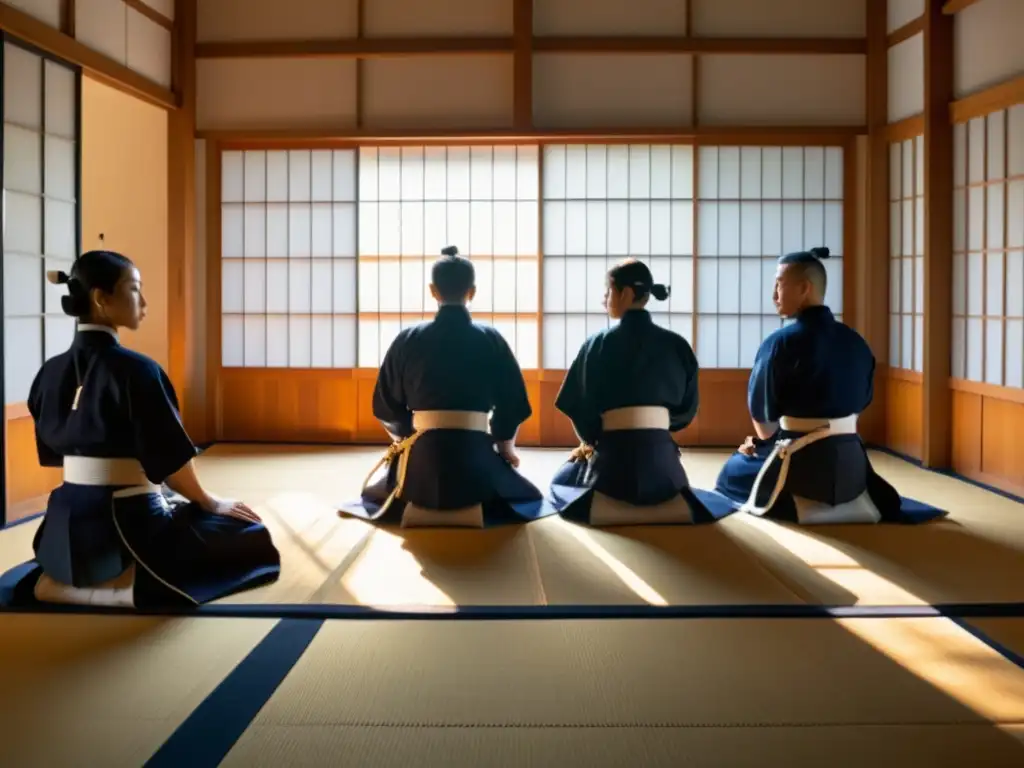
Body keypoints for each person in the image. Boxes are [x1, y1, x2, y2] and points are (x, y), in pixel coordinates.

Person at [0, 250, 281, 610]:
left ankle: (55, 582)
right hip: (129, 521)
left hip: (63, 524)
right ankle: (130, 585)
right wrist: (209, 501)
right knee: (247, 533)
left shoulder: (48, 373)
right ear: (102, 299)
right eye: (134, 290)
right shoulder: (139, 370)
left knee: (182, 513)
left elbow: (58, 453)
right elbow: (171, 463)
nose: (144, 301)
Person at [712, 247, 946, 524]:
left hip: (801, 469)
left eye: (778, 285)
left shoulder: (779, 343)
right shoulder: (857, 342)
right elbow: (860, 404)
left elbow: (764, 429)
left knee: (734, 470)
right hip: (852, 468)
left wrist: (760, 445)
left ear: (804, 288)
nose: (773, 295)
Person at [339, 246, 553, 527]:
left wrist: (405, 441)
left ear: (433, 291)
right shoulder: (491, 339)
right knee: (518, 494)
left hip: (420, 461)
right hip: (476, 457)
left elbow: (386, 404)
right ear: (472, 292)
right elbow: (512, 403)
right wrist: (505, 447)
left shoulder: (407, 339)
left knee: (396, 484)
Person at [547, 259, 735, 526]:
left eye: (607, 291)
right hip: (662, 463)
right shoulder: (677, 345)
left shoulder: (596, 344)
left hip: (611, 463)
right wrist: (655, 430)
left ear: (624, 293)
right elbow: (686, 411)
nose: (604, 299)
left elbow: (578, 406)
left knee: (562, 480)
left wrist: (592, 439)